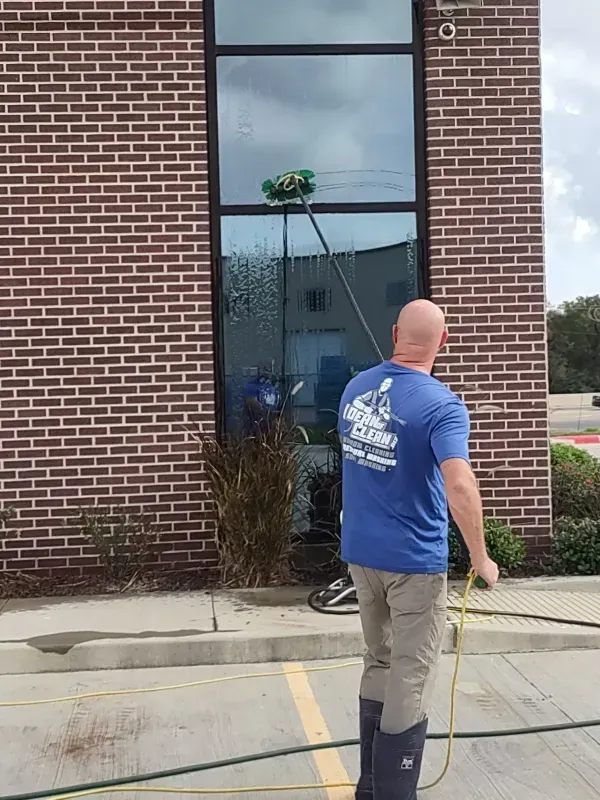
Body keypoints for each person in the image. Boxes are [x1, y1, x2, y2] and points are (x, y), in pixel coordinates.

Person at [338, 299, 499, 800]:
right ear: (443, 342)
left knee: (379, 661)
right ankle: (393, 793)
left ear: (394, 334)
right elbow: (460, 485)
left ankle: (370, 786)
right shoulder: (441, 405)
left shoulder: (354, 389)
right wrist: (480, 557)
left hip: (362, 556)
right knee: (412, 671)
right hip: (413, 562)